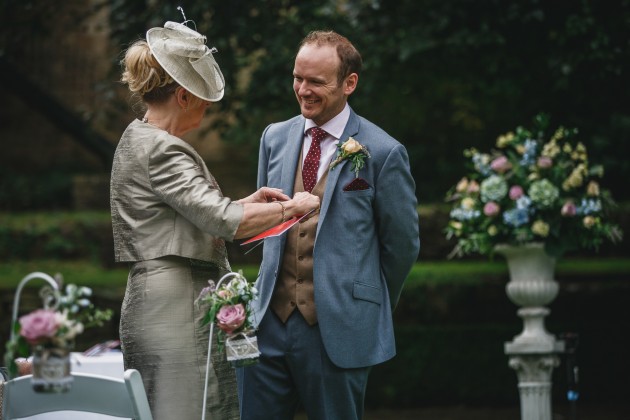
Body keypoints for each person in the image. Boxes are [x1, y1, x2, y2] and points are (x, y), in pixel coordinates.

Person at [110, 21, 319, 420]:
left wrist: (248, 202)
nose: (207, 109)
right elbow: (227, 221)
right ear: (184, 96)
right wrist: (293, 207)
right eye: (204, 100)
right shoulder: (164, 149)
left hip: (160, 295)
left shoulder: (138, 137)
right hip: (175, 303)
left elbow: (191, 214)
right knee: (189, 410)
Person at [236, 30, 420, 419]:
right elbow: (267, 217)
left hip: (338, 327)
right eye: (297, 78)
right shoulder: (274, 137)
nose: (303, 90)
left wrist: (364, 302)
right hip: (268, 322)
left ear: (349, 83)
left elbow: (401, 245)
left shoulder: (383, 152)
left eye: (316, 81)